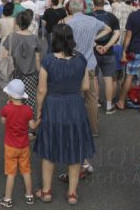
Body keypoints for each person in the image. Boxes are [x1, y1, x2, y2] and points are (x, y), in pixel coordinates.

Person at [33, 24, 95, 206]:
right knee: (75, 149)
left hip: (53, 104)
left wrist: (38, 112)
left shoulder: (49, 60)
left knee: (49, 149)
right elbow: (85, 87)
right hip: (74, 105)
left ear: (55, 39)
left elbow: (41, 90)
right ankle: (72, 193)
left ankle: (46, 192)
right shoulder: (81, 59)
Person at [67, 0, 111, 137]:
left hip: (73, 63)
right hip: (89, 63)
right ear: (84, 8)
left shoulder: (69, 23)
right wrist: (94, 38)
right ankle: (93, 129)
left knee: (72, 95)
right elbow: (108, 29)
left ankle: (73, 128)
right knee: (91, 98)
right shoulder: (92, 21)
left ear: (69, 9)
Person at [0, 79, 37, 208]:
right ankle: (29, 196)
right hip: (24, 145)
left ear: (9, 95)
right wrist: (39, 119)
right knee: (26, 171)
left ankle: (7, 199)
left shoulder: (6, 109)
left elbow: (3, 121)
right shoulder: (28, 110)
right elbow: (32, 125)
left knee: (11, 173)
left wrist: (8, 107)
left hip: (10, 146)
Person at [2, 11, 40, 132]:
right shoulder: (34, 38)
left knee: (14, 100)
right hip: (31, 74)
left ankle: (16, 126)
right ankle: (29, 130)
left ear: (17, 22)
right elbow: (38, 59)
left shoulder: (11, 37)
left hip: (15, 74)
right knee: (30, 101)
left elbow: (4, 56)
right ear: (29, 23)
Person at [90, 0, 120, 115]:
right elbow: (117, 34)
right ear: (104, 3)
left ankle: (96, 102)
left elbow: (87, 35)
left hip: (94, 50)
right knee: (108, 79)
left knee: (95, 78)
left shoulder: (89, 17)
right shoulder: (112, 17)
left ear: (93, 4)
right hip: (109, 51)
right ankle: (109, 106)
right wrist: (107, 46)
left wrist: (96, 45)